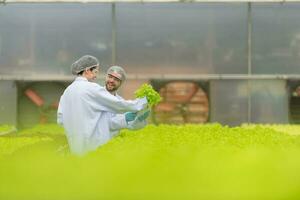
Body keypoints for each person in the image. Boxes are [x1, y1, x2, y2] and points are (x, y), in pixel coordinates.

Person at [57, 55, 148, 156]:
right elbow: (118, 105)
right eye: (95, 72)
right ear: (87, 70)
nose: (96, 76)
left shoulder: (67, 92)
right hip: (94, 148)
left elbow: (60, 119)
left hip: (75, 148)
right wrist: (142, 102)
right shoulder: (92, 89)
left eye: (116, 79)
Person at [104, 66, 150, 138]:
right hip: (96, 142)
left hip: (112, 143)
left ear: (121, 83)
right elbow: (102, 124)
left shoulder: (121, 101)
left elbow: (130, 126)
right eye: (110, 77)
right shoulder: (97, 96)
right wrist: (124, 118)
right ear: (106, 77)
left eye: (116, 79)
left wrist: (139, 119)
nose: (111, 81)